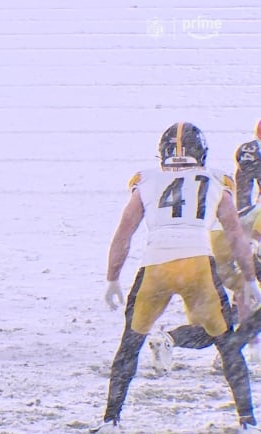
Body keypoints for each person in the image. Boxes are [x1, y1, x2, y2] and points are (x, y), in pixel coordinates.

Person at [90, 122, 261, 433]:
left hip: (156, 266)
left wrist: (112, 278)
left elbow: (124, 233)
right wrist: (250, 280)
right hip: (198, 264)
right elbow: (235, 235)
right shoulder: (215, 179)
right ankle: (248, 421)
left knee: (130, 345)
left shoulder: (147, 180)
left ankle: (110, 421)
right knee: (227, 346)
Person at [148, 121, 261, 373]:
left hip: (199, 249)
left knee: (211, 328)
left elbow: (240, 202)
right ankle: (236, 349)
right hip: (236, 245)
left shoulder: (241, 159)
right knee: (248, 305)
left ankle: (170, 339)